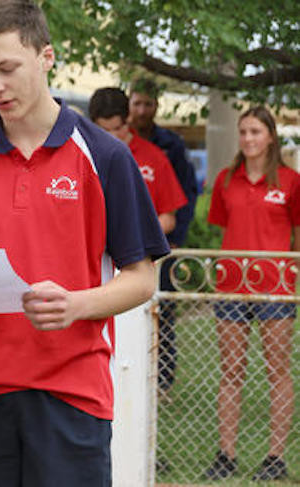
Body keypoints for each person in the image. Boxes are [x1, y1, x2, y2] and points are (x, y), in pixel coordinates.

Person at [0, 1, 169, 485]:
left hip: (71, 394)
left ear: (46, 56)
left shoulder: (106, 157)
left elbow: (142, 279)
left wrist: (76, 304)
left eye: (7, 69)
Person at [204, 106, 299, 481]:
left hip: (275, 289)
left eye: (255, 132)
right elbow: (224, 229)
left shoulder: (291, 181)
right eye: (243, 132)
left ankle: (275, 457)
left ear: (271, 137)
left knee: (278, 371)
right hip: (230, 287)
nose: (247, 139)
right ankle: (225, 454)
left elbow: (296, 234)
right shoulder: (227, 180)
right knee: (231, 373)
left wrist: (291, 277)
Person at [129, 78, 198, 395]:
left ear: (156, 106)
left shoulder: (171, 144)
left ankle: (164, 377)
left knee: (164, 312)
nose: (142, 110)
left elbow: (186, 195)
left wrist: (174, 239)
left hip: (164, 241)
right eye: (137, 103)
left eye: (148, 104)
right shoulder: (114, 141)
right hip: (128, 245)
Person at [89, 87, 187, 236]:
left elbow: (168, 217)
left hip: (137, 255)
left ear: (129, 118)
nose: (112, 137)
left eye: (117, 128)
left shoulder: (155, 157)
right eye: (103, 130)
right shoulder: (82, 155)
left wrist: (137, 243)